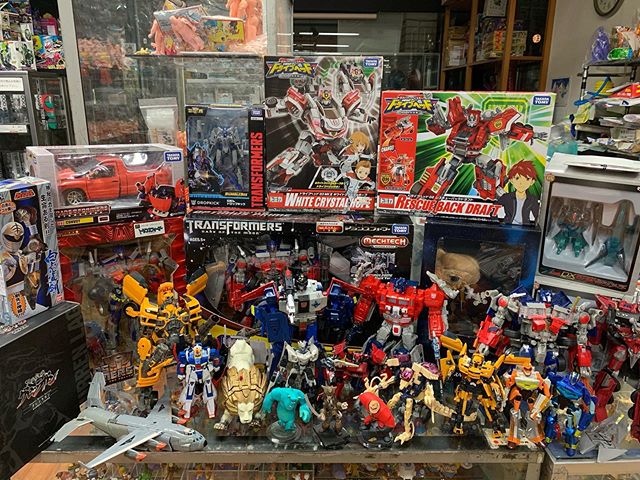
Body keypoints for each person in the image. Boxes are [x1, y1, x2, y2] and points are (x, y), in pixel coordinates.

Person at [497, 160, 539, 225]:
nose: (521, 183)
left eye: (527, 179)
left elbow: (538, 216)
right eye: (517, 178)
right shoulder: (506, 197)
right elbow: (492, 210)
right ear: (511, 180)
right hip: (507, 226)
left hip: (525, 228)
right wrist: (497, 224)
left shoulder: (532, 199)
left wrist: (533, 227)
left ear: (532, 182)